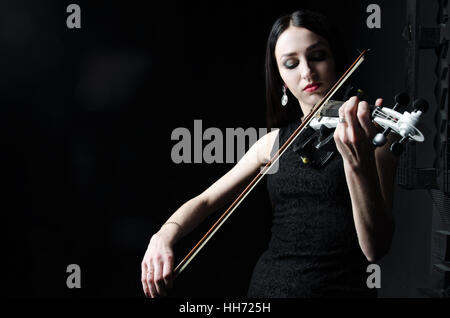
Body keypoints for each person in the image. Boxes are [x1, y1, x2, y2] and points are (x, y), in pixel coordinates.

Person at [141, 9, 398, 298]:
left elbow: (375, 248)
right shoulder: (274, 143)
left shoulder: (375, 137)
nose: (306, 72)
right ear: (281, 80)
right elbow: (205, 200)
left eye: (317, 56)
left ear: (336, 59)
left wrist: (356, 161)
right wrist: (163, 235)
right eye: (291, 63)